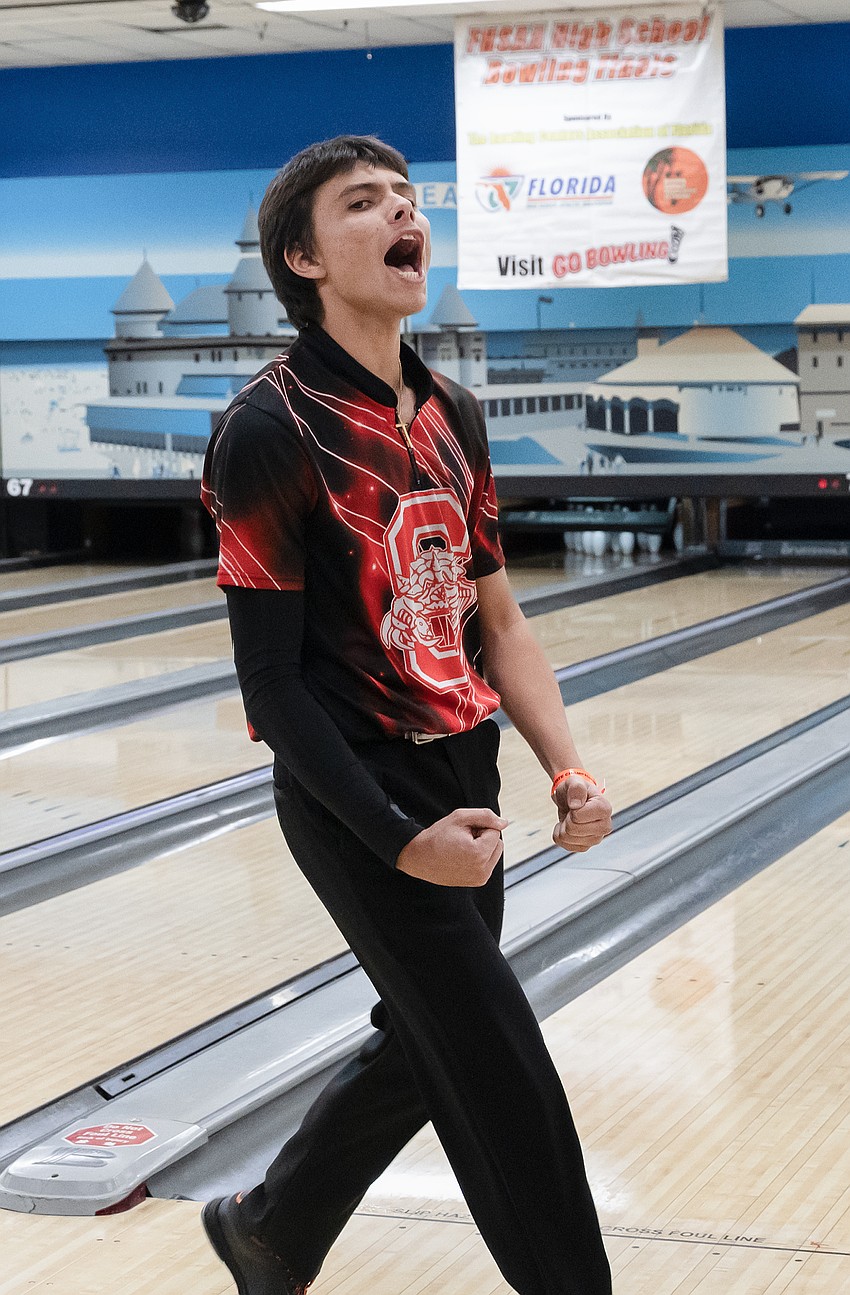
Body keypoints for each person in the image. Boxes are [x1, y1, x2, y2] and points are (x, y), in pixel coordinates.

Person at [199, 134, 613, 1295]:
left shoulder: (450, 412)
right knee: (503, 1073)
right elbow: (272, 687)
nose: (402, 214)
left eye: (409, 198)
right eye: (364, 201)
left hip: (461, 780)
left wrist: (563, 767)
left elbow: (501, 622)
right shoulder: (270, 428)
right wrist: (395, 836)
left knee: (426, 1042)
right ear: (304, 255)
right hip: (357, 795)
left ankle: (271, 1231)